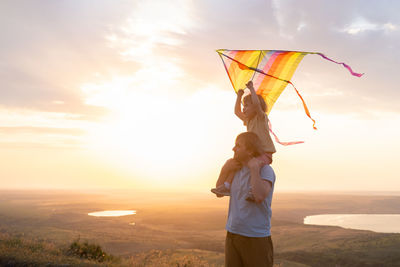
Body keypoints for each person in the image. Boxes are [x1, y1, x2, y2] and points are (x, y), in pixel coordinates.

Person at [216, 132, 275, 267]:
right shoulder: (235, 169)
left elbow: (259, 196)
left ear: (249, 150)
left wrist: (254, 169)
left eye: (238, 146)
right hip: (233, 233)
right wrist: (224, 170)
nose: (233, 149)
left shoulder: (266, 171)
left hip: (256, 237)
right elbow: (219, 191)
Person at [211, 81, 276, 199]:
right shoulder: (248, 121)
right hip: (253, 152)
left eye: (246, 106)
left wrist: (251, 89)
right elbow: (236, 112)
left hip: (264, 152)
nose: (244, 109)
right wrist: (239, 96)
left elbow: (257, 105)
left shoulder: (261, 118)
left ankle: (253, 190)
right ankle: (226, 185)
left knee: (255, 166)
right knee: (237, 163)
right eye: (243, 106)